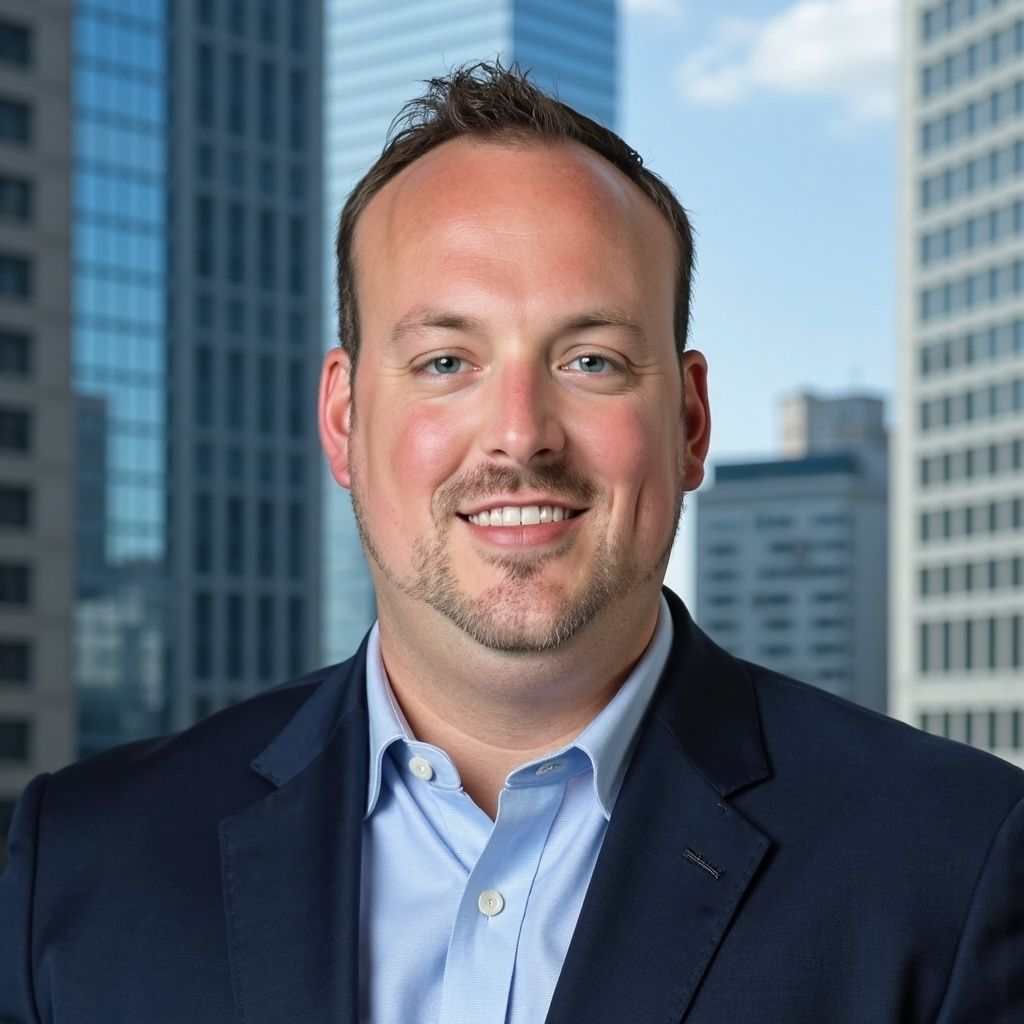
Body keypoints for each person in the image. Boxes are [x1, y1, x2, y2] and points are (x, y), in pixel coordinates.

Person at [2, 62, 1022, 1024]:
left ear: (692, 422)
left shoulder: (956, 861)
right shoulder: (83, 862)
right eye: (447, 359)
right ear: (344, 419)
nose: (521, 432)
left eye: (590, 358)